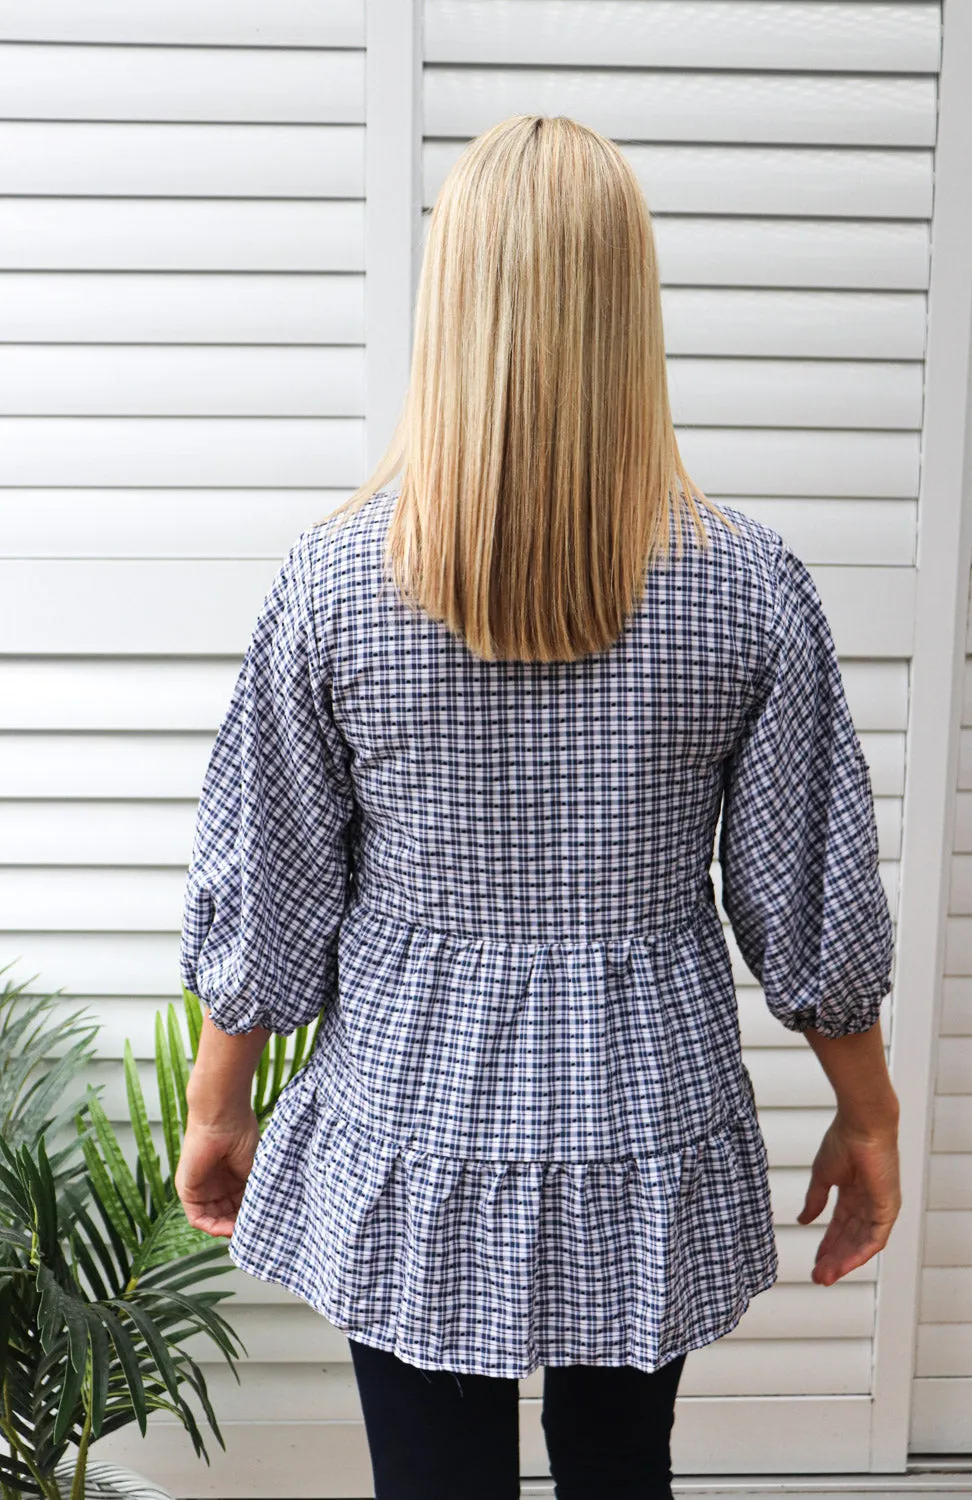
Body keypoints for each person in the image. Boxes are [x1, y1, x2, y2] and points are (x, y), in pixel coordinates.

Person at [174, 114, 902, 1500]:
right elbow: (810, 901)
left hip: (410, 1117)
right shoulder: (745, 588)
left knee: (432, 1481)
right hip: (646, 1109)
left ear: (453, 311)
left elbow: (269, 887)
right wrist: (868, 1118)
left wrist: (220, 1103)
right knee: (623, 1471)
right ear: (630, 311)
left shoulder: (331, 588)